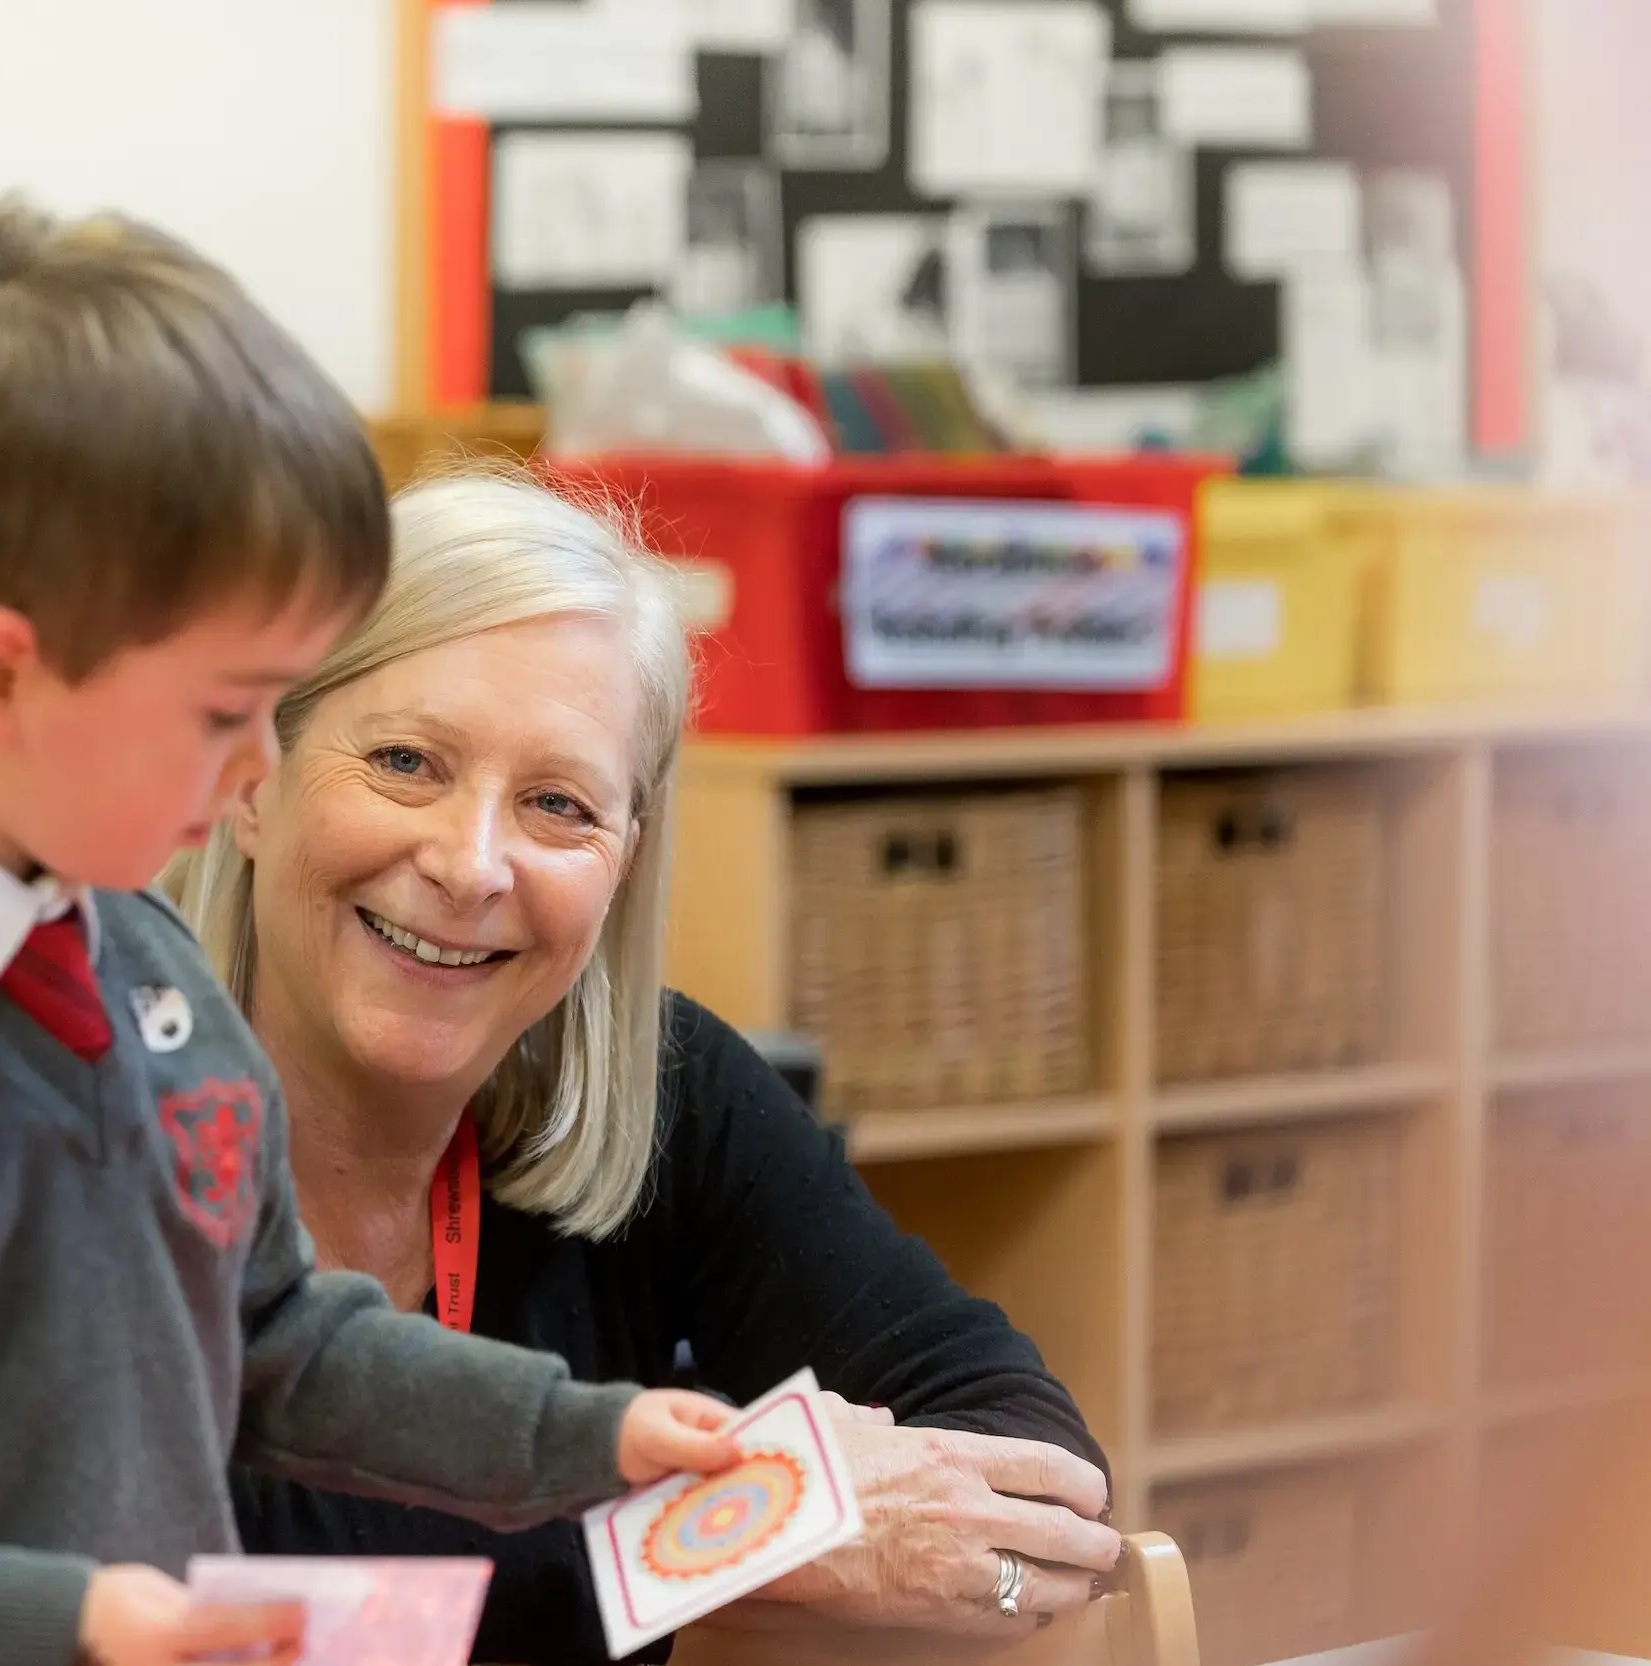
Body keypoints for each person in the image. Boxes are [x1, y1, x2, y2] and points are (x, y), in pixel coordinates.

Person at [0, 204, 749, 1666]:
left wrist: (582, 1435)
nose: (262, 770)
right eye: (226, 713)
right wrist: (70, 1620)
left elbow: (273, 1333)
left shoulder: (143, 965)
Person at [170, 473, 1122, 1664]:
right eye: (406, 761)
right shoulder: (76, 1112)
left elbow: (1033, 1466)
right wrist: (743, 1527)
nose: (472, 864)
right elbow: (176, 1603)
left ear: (625, 856)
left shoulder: (665, 1094)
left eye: (556, 803)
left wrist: (723, 1529)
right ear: (251, 779)